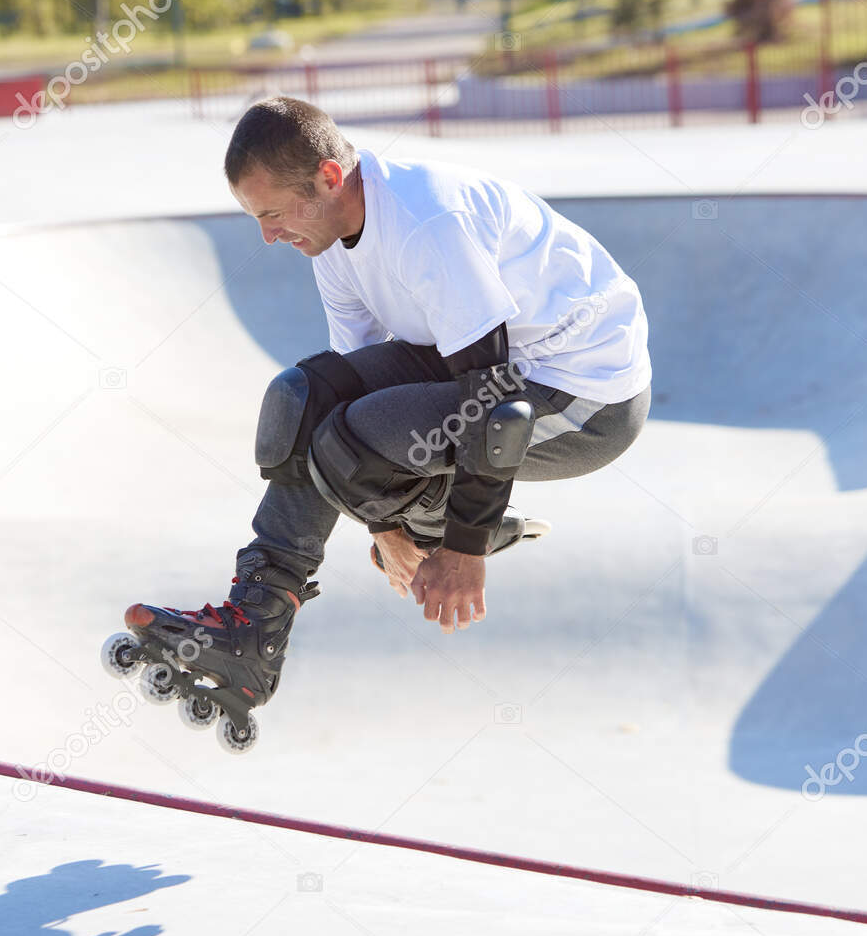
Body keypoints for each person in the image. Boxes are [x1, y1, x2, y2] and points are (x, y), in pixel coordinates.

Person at [123, 96, 651, 724]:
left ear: (328, 177)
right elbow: (342, 397)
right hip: (492, 374)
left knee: (363, 438)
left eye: (272, 214)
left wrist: (464, 547)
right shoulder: (330, 237)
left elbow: (497, 405)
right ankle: (253, 627)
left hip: (584, 395)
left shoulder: (427, 225)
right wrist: (381, 524)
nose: (268, 236)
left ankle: (443, 524)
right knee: (302, 401)